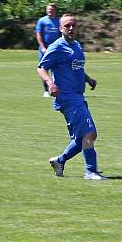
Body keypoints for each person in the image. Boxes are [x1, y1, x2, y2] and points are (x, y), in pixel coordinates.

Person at [37, 13, 107, 180]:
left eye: (73, 25)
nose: (71, 28)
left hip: (78, 96)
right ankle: (91, 171)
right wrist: (50, 83)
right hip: (67, 98)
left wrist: (88, 79)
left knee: (83, 137)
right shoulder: (57, 47)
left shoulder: (76, 45)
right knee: (89, 133)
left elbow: (76, 68)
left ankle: (60, 161)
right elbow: (41, 68)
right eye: (67, 25)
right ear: (60, 28)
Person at [35, 3, 61, 97]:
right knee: (44, 69)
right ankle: (46, 90)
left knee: (58, 69)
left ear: (55, 10)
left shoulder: (59, 21)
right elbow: (39, 35)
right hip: (45, 50)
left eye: (52, 9)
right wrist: (42, 47)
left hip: (57, 50)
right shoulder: (42, 21)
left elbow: (61, 35)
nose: (50, 11)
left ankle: (56, 88)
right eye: (48, 9)